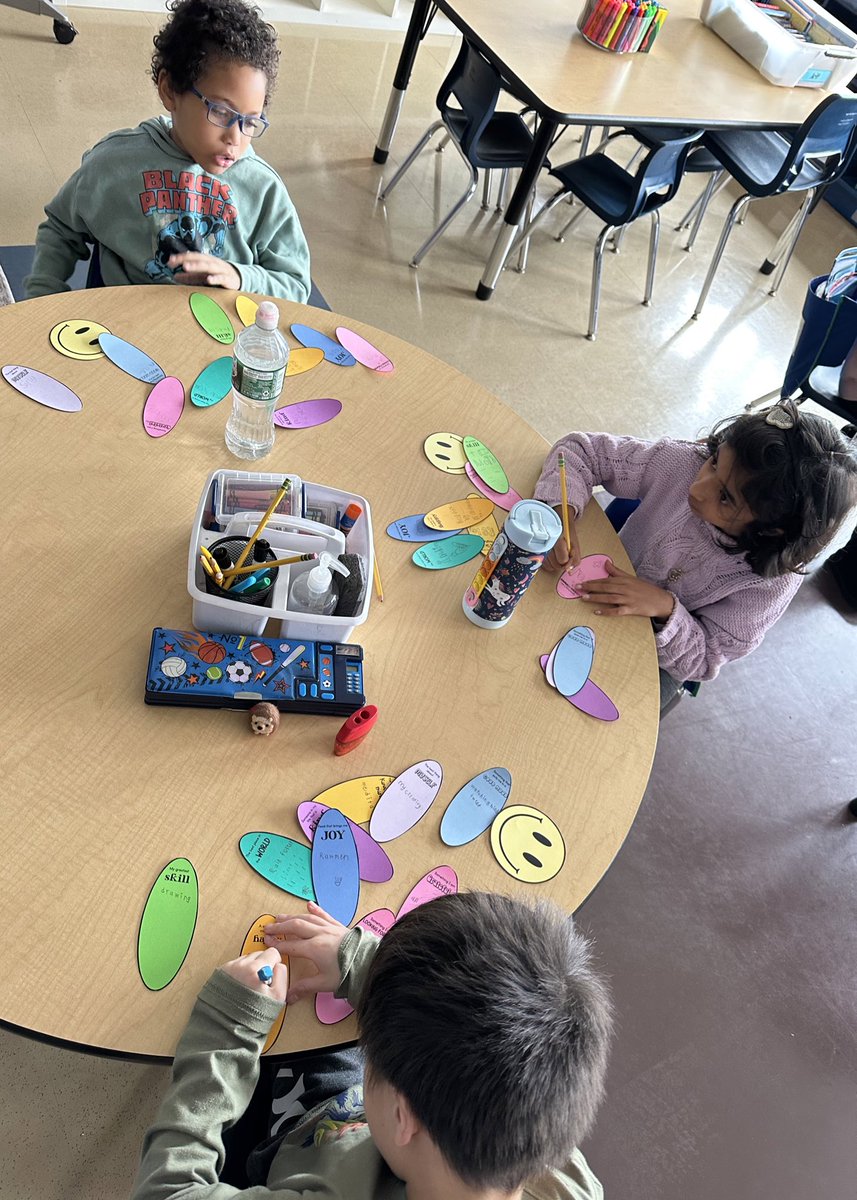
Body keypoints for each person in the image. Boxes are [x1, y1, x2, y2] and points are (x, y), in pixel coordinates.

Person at [130, 894, 613, 1199]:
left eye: (375, 1058)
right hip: (364, 1130)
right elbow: (499, 1037)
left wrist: (228, 1028)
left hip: (302, 1156)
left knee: (266, 1063)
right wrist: (365, 965)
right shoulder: (562, 1174)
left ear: (404, 1117)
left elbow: (167, 1192)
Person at [534, 402, 857, 710]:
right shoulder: (683, 462)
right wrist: (561, 511)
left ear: (771, 530)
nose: (698, 488)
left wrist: (665, 609)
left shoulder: (771, 582)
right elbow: (580, 450)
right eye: (714, 462)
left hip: (661, 652)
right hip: (589, 588)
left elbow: (706, 658)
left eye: (725, 498)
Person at [25, 0, 310, 301]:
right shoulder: (114, 164)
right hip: (124, 323)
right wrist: (43, 299)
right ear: (169, 90)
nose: (235, 138)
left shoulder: (263, 189)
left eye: (250, 121)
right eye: (221, 112)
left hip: (222, 327)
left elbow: (296, 285)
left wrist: (240, 276)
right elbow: (61, 229)